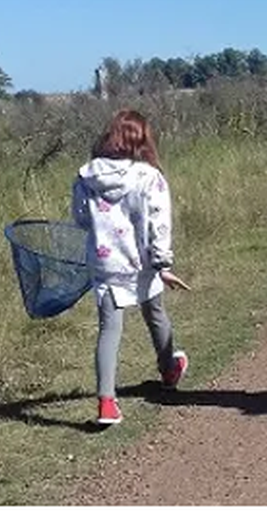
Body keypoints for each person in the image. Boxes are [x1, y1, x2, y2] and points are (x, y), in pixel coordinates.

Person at [72, 109, 191, 427]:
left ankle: (107, 404)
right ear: (142, 140)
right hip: (142, 262)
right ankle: (168, 369)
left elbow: (81, 218)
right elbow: (159, 224)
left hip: (106, 264)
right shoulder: (149, 177)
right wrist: (163, 263)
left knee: (109, 330)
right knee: (156, 314)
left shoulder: (86, 176)